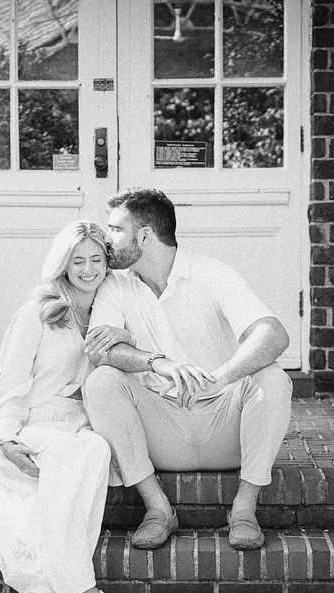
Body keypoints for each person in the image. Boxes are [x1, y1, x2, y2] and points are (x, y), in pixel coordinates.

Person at [83, 187, 293, 551]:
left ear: (144, 235)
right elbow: (103, 351)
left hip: (225, 427)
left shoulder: (211, 273)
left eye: (115, 229)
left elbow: (273, 334)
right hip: (160, 430)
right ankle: (158, 508)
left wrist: (219, 379)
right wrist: (154, 360)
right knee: (101, 382)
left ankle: (244, 509)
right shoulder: (115, 284)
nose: (106, 239)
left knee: (274, 379)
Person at [0, 220, 130, 593]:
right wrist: (6, 436)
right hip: (33, 423)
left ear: (107, 263)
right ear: (64, 265)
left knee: (96, 449)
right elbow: (12, 382)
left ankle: (47, 588)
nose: (88, 269)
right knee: (71, 454)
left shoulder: (110, 312)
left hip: (80, 424)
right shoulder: (39, 312)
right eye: (78, 260)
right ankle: (78, 588)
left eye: (97, 259)